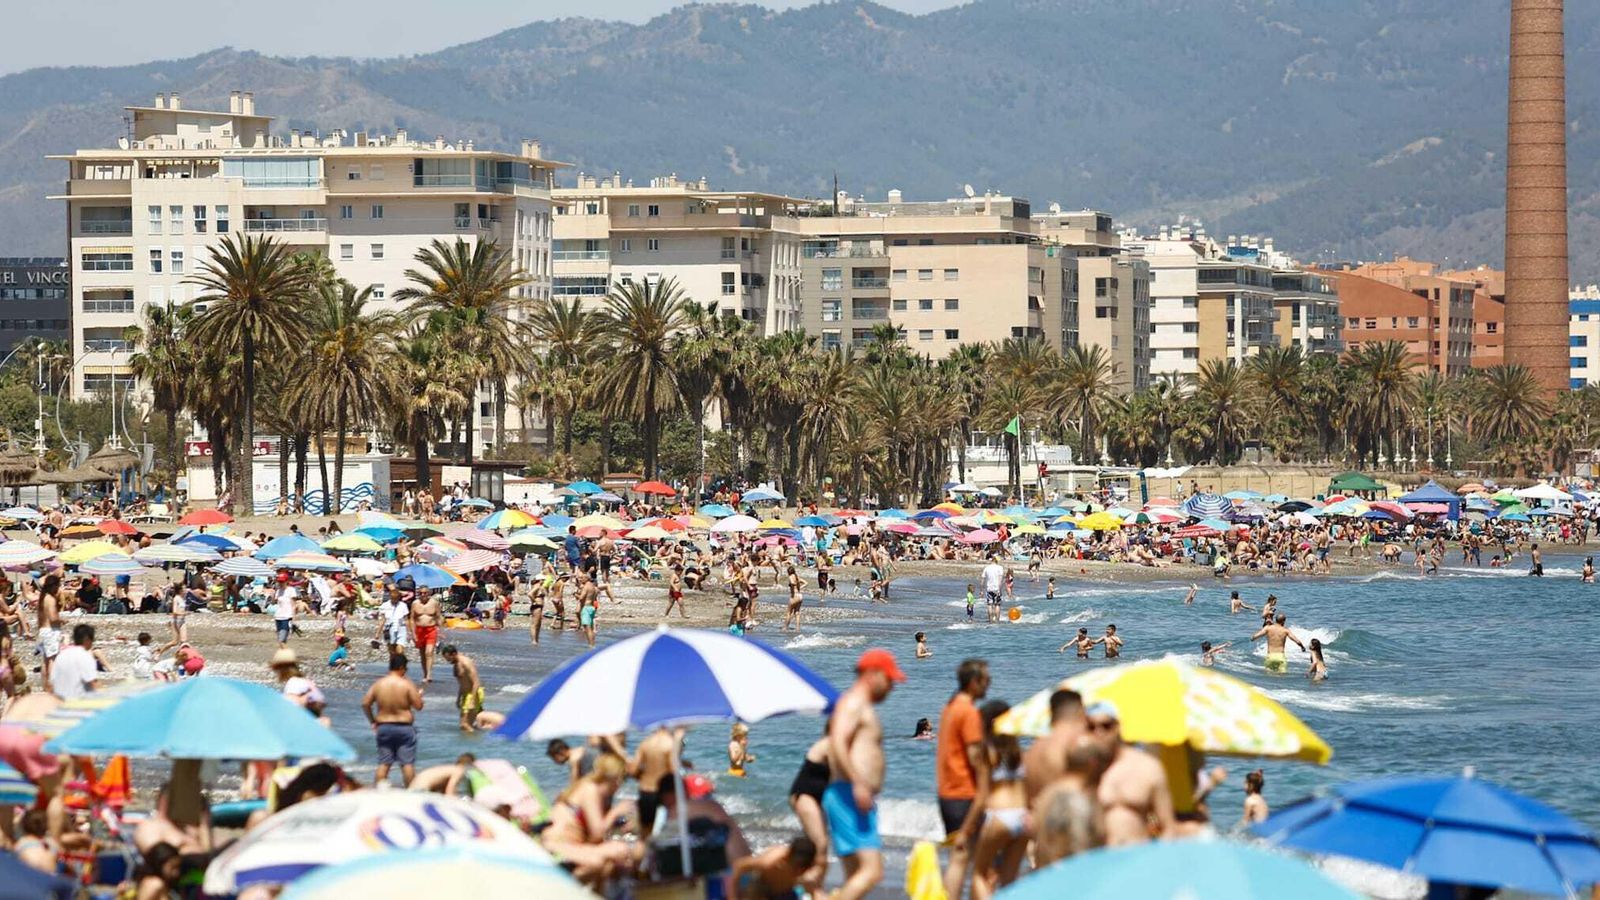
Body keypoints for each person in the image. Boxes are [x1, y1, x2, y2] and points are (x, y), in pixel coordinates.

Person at [823, 649, 903, 900]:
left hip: (849, 793)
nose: (892, 688)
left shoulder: (858, 705)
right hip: (849, 793)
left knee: (855, 875)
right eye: (889, 680)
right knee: (872, 871)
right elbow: (837, 742)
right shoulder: (853, 703)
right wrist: (858, 783)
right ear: (872, 674)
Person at [937, 658, 990, 899]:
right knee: (968, 858)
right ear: (973, 682)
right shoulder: (968, 712)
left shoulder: (949, 707)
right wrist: (987, 783)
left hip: (948, 791)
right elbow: (975, 756)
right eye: (986, 680)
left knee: (964, 857)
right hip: (964, 793)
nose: (988, 685)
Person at [540, 753, 634, 888]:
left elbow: (594, 837)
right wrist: (616, 812)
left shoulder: (591, 789)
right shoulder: (590, 789)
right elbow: (597, 833)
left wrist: (618, 826)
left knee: (613, 862)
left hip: (570, 845)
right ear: (617, 778)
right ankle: (560, 890)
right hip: (556, 846)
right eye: (623, 779)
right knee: (607, 856)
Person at [1088, 701, 1174, 845]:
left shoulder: (1147, 767)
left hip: (1138, 853)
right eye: (1091, 727)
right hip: (1099, 856)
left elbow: (1168, 827)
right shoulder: (1084, 771)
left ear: (1118, 727)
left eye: (1106, 726)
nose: (1099, 732)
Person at [971, 700, 1029, 899]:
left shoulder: (986, 753)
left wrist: (966, 828)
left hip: (999, 816)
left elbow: (981, 796)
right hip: (1022, 818)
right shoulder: (1019, 754)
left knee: (979, 874)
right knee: (1008, 880)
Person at [362, 654, 424, 786]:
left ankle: (378, 792)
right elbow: (418, 706)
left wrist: (372, 721)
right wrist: (419, 695)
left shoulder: (379, 684)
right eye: (405, 669)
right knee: (407, 764)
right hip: (404, 727)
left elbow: (365, 703)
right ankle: (411, 792)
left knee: (384, 763)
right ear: (401, 667)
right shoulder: (406, 684)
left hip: (383, 727)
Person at [1021, 689, 1085, 809]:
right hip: (1069, 815)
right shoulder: (1075, 745)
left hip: (1039, 817)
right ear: (1080, 712)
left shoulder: (1032, 751)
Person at [786, 734, 832, 895]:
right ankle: (813, 891)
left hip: (818, 798)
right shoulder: (830, 743)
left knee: (813, 848)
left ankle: (803, 889)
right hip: (805, 796)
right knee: (821, 845)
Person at [732, 836, 816, 900]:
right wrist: (732, 897)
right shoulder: (768, 862)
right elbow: (738, 866)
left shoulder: (807, 873)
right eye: (796, 866)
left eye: (803, 869)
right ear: (787, 858)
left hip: (786, 893)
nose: (799, 871)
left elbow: (815, 892)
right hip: (762, 888)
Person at [633, 726, 681, 839]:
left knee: (645, 832)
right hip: (663, 793)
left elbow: (633, 769)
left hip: (645, 790)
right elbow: (673, 772)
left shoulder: (645, 743)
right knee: (666, 831)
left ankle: (643, 849)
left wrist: (643, 777)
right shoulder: (670, 744)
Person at [439, 645, 483, 733]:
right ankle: (477, 737)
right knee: (467, 725)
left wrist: (472, 700)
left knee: (464, 725)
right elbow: (462, 683)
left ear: (454, 654)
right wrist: (458, 699)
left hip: (473, 694)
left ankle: (477, 739)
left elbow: (476, 682)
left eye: (448, 658)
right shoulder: (456, 664)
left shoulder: (466, 663)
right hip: (466, 695)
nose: (448, 661)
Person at [52, 623, 100, 700]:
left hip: (60, 702)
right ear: (87, 639)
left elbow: (52, 681)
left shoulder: (61, 655)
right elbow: (93, 683)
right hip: (79, 702)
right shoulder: (85, 656)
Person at [410, 589, 441, 683]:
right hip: (419, 630)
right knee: (422, 654)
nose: (423, 595)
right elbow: (412, 619)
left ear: (429, 593)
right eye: (420, 593)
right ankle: (425, 673)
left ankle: (429, 675)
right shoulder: (415, 603)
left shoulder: (434, 603)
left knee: (429, 652)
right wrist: (413, 633)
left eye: (425, 593)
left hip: (431, 629)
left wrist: (440, 630)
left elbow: (438, 616)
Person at [14, 809, 59, 874]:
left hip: (30, 877)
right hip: (51, 877)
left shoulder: (21, 842)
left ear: (24, 825)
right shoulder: (52, 843)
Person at [409, 753, 475, 794]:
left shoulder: (448, 768)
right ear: (469, 765)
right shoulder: (459, 770)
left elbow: (443, 792)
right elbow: (449, 792)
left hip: (411, 789)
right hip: (421, 791)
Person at [273, 573, 298, 647]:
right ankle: (284, 652)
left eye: (282, 581)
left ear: (287, 581)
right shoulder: (278, 591)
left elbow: (294, 605)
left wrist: (294, 619)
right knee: (280, 639)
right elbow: (275, 602)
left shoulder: (291, 590)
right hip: (278, 616)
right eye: (279, 581)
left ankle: (287, 653)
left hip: (287, 617)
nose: (280, 583)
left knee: (282, 639)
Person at [980, 559, 1004, 624]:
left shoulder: (986, 568)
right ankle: (997, 620)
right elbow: (1000, 580)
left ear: (991, 561)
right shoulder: (1000, 568)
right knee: (997, 605)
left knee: (989, 605)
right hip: (997, 589)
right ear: (996, 561)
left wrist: (981, 590)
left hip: (989, 589)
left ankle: (990, 620)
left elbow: (982, 579)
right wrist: (999, 589)